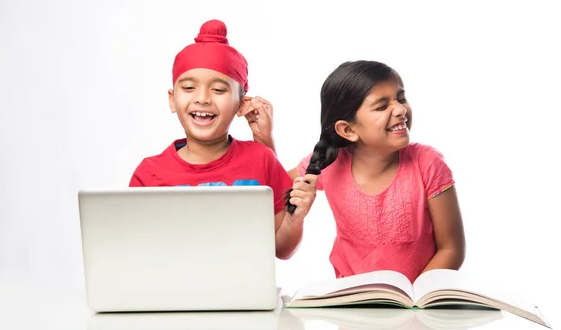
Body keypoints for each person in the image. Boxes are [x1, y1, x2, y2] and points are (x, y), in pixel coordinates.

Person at [258, 60, 466, 282]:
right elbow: (272, 184)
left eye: (401, 98)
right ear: (348, 129)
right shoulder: (329, 164)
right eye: (382, 106)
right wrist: (265, 138)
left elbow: (451, 249)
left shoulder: (427, 163)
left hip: (415, 306)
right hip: (352, 304)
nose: (400, 109)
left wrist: (415, 298)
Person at [129, 19, 317, 260]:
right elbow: (136, 252)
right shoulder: (149, 172)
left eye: (218, 90)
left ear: (241, 104)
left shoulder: (261, 158)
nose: (203, 99)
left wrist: (295, 217)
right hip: (171, 294)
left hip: (247, 295)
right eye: (188, 88)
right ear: (171, 99)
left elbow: (281, 250)